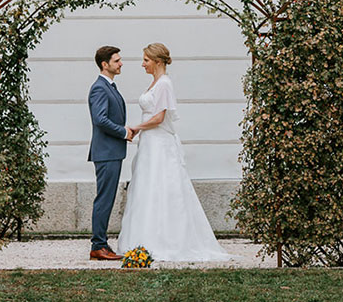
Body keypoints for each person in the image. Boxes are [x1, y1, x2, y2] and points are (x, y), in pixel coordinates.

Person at [117, 43, 233, 261]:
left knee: (162, 188)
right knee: (147, 188)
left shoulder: (164, 84)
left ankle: (166, 240)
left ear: (158, 61)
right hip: (150, 144)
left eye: (146, 60)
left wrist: (135, 128)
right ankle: (143, 238)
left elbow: (159, 118)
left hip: (159, 143)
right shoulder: (155, 83)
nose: (143, 64)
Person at [87, 45, 133, 261]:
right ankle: (98, 245)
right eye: (116, 61)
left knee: (106, 198)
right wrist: (124, 132)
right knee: (104, 199)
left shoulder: (110, 87)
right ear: (105, 65)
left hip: (112, 151)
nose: (121, 63)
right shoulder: (99, 88)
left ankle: (101, 244)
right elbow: (100, 119)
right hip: (106, 152)